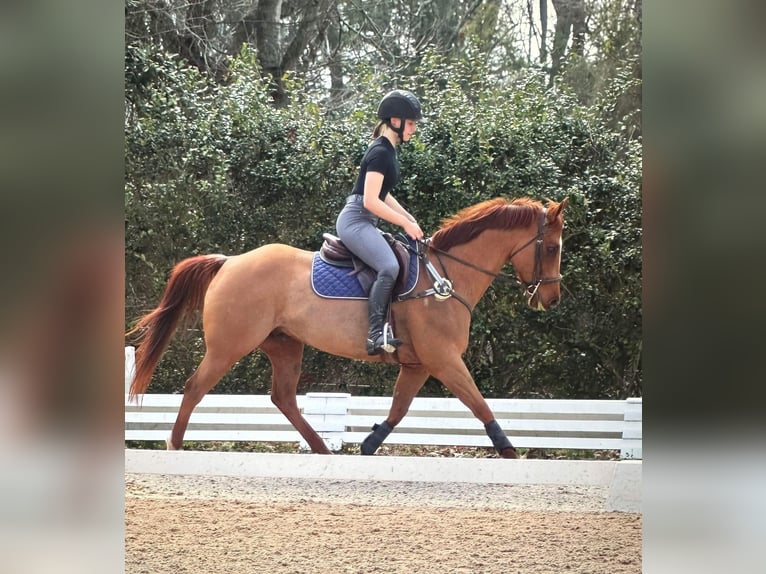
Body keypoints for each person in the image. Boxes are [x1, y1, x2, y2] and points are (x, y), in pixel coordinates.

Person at [336, 89, 425, 355]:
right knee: (388, 265)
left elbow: (384, 195)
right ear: (395, 121)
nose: (414, 129)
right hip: (356, 221)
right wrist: (404, 224)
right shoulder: (381, 153)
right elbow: (371, 201)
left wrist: (410, 218)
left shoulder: (388, 150)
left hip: (365, 220)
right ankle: (375, 334)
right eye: (411, 124)